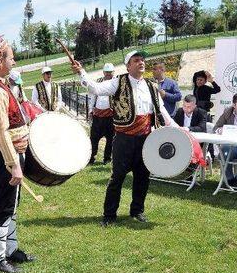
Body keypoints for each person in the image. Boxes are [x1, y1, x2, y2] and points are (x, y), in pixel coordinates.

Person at [72, 50, 183, 226]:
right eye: (136, 60)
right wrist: (81, 73)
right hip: (124, 139)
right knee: (117, 178)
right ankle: (109, 215)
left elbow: (162, 111)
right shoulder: (118, 82)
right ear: (128, 65)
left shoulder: (151, 86)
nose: (141, 63)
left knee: (142, 176)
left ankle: (137, 210)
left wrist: (178, 130)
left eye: (142, 60)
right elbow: (96, 88)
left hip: (147, 139)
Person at [0, 35, 35, 273]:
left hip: (9, 154)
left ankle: (10, 250)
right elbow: (1, 132)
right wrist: (14, 165)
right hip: (3, 156)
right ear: (0, 61)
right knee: (3, 205)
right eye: (11, 58)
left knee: (12, 205)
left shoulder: (1, 85)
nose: (14, 61)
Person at [88, 62, 115, 165]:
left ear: (113, 72)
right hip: (98, 116)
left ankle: (107, 158)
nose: (108, 74)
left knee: (110, 139)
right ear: (103, 72)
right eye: (106, 72)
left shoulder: (116, 82)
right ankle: (91, 158)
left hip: (111, 116)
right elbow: (93, 96)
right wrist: (91, 109)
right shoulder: (98, 82)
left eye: (110, 72)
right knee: (94, 138)